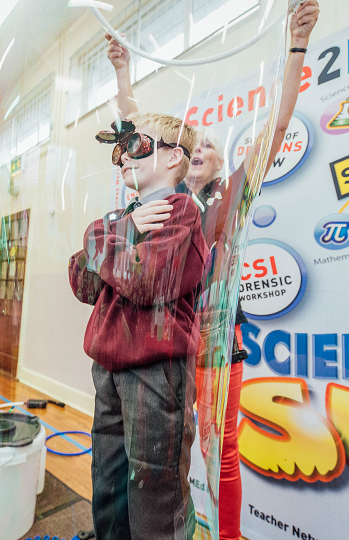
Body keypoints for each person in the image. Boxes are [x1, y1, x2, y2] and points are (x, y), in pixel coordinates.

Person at [107, 3, 320, 539]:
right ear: (174, 159)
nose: (199, 148)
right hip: (163, 354)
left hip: (216, 352)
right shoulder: (159, 206)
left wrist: (296, 43)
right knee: (157, 463)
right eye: (190, 144)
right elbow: (135, 137)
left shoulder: (225, 207)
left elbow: (275, 124)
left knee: (220, 454)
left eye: (208, 146)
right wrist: (122, 74)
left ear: (219, 163)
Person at [69, 112, 205, 539]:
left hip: (156, 373)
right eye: (120, 149)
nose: (124, 156)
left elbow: (145, 281)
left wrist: (100, 237)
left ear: (172, 158)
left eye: (137, 145)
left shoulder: (179, 210)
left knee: (154, 492)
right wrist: (119, 229)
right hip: (107, 370)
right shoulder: (121, 219)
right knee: (108, 483)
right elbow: (81, 282)